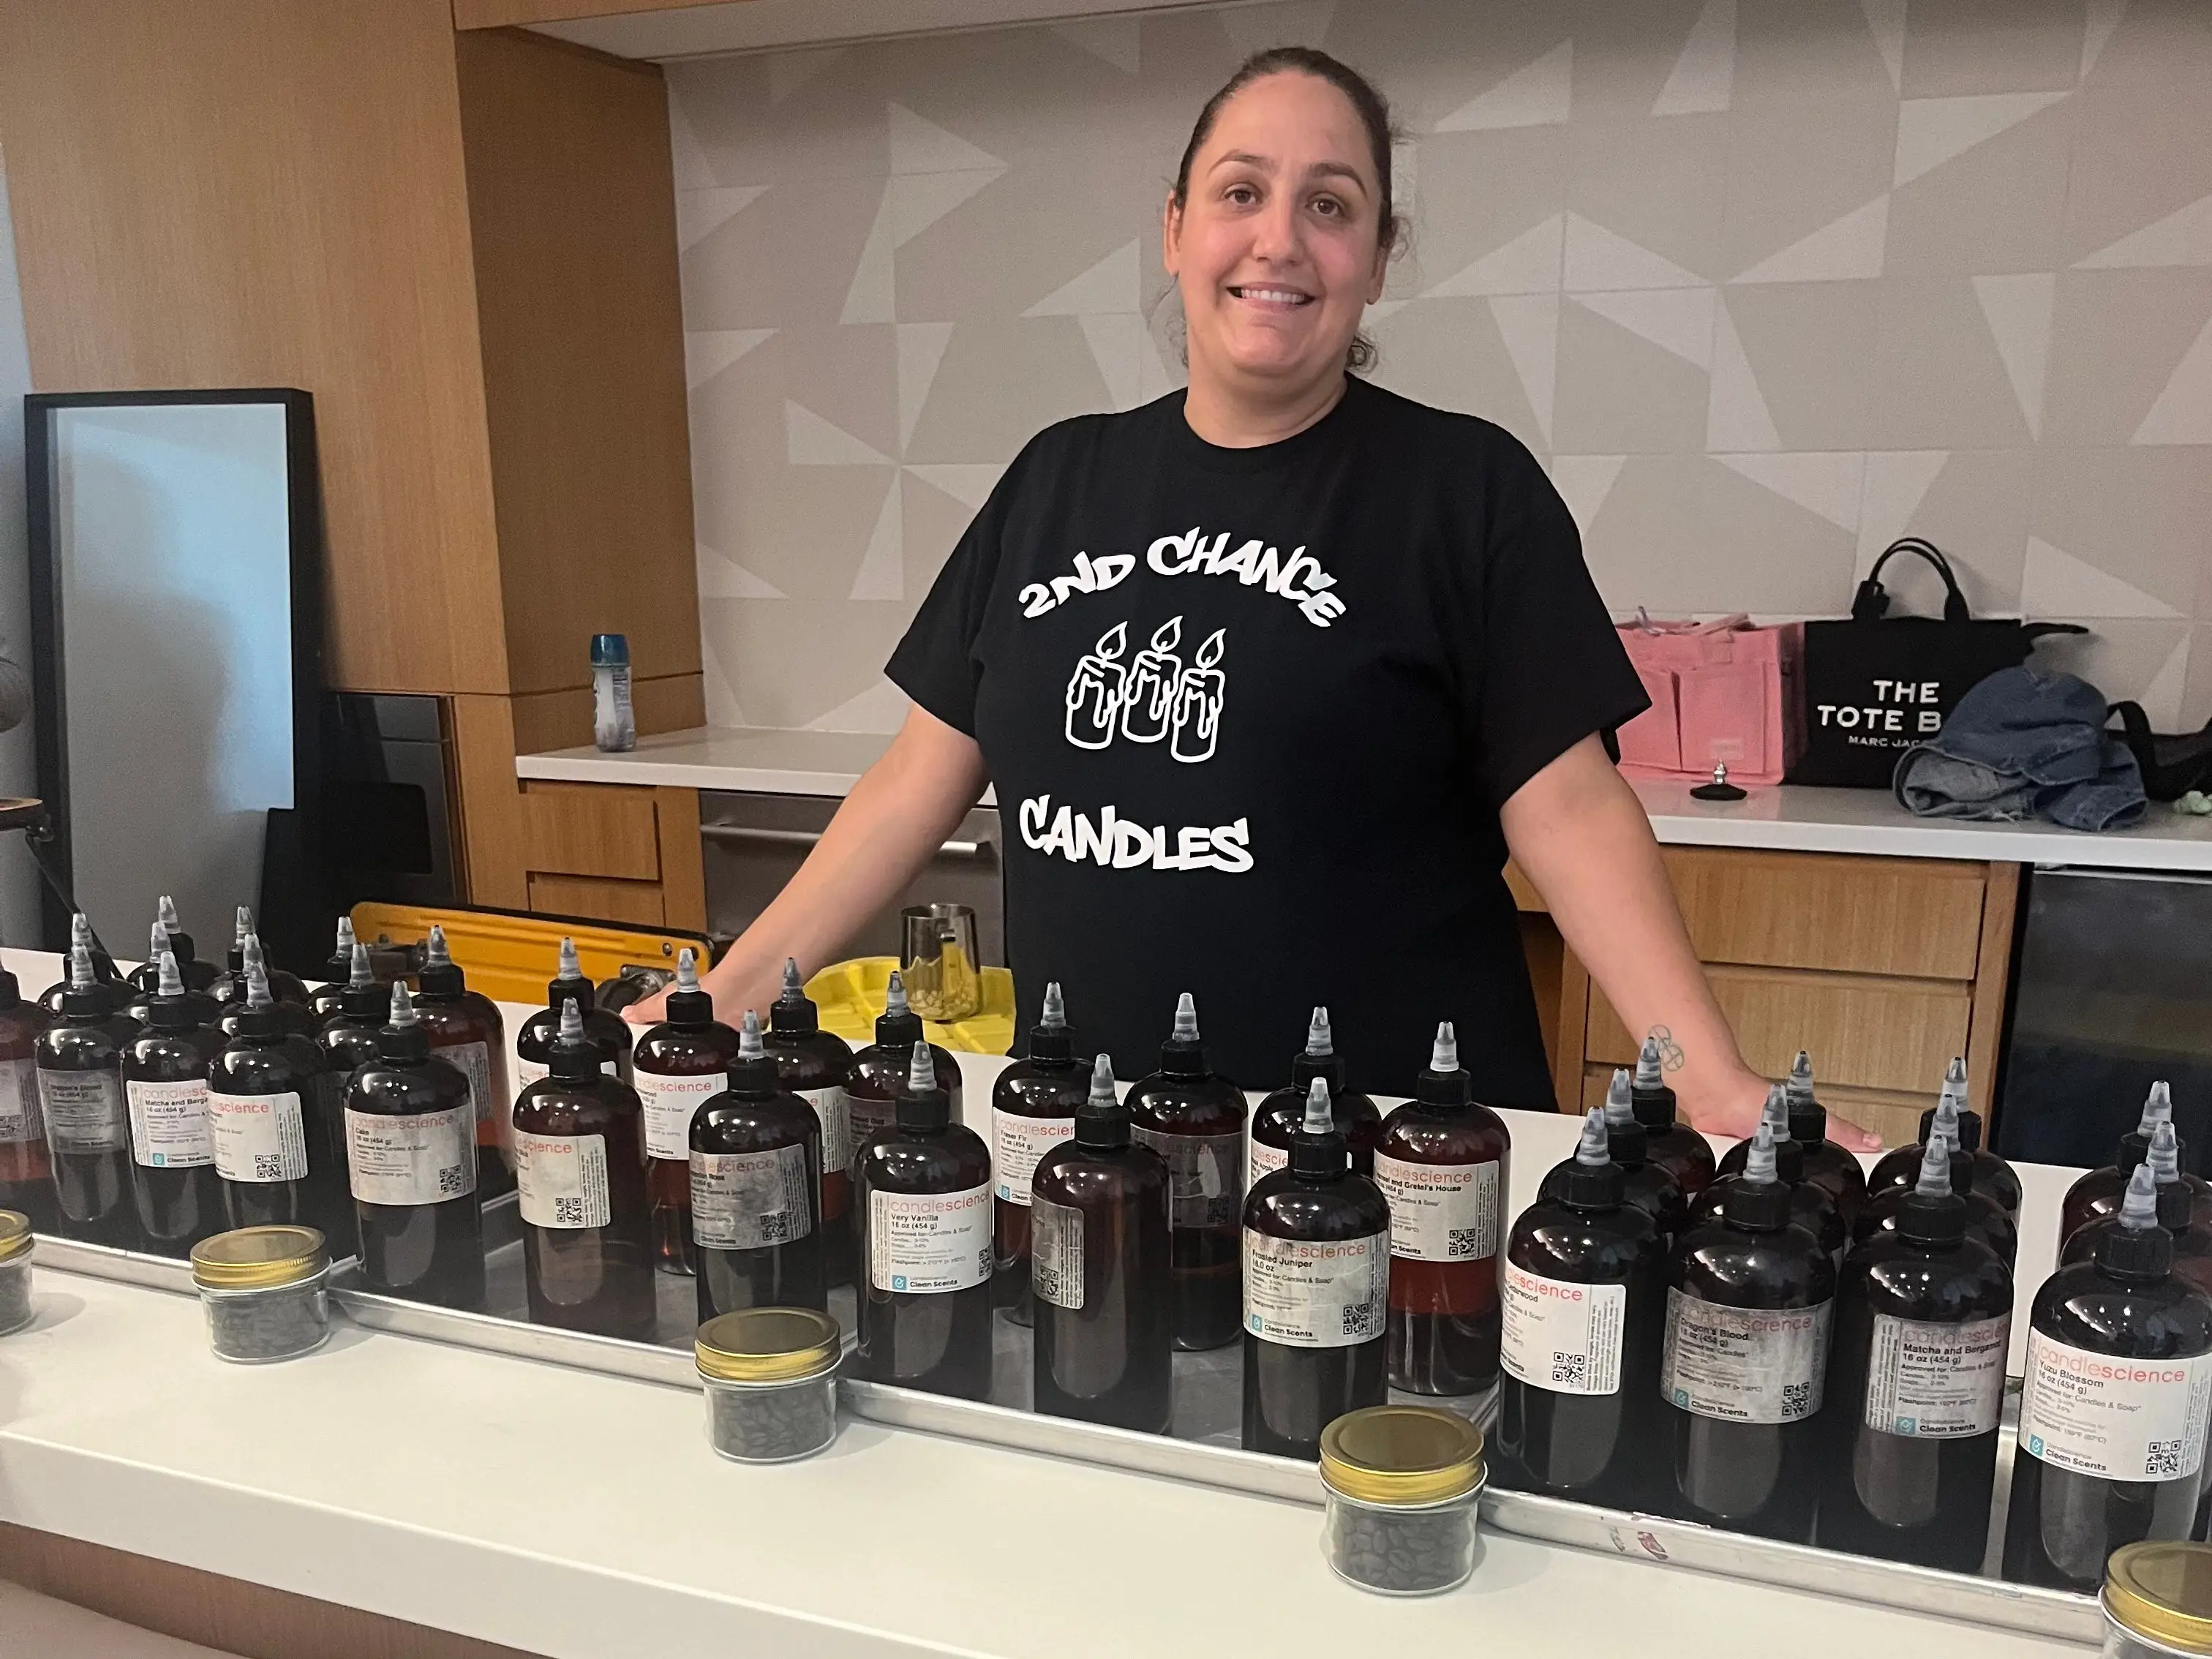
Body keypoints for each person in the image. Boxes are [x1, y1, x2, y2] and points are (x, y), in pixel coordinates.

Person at [635, 47, 1873, 1146]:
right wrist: (728, 1000)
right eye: (1241, 192)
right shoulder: (1058, 477)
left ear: (1377, 261)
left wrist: (1706, 1077)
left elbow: (1571, 808)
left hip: (1395, 1147)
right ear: (1175, 228)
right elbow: (919, 778)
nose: (1279, 237)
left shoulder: (1463, 489)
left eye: (1330, 206)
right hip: (1096, 1136)